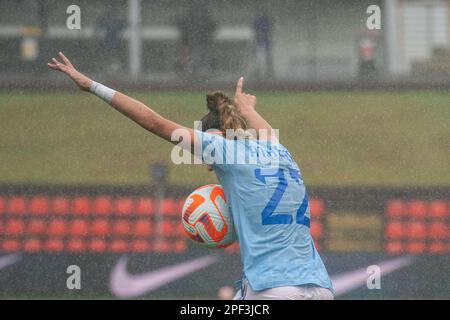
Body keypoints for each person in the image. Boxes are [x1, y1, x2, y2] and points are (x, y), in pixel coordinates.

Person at [47, 52, 334, 300]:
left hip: (273, 288)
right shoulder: (280, 151)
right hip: (320, 286)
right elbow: (261, 129)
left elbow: (153, 122)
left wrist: (92, 86)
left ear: (216, 136)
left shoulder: (222, 149)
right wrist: (247, 110)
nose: (206, 162)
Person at [253, 13, 273, 79]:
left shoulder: (266, 42)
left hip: (264, 46)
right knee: (259, 60)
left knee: (265, 60)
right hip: (260, 46)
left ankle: (267, 74)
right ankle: (259, 74)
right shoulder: (258, 42)